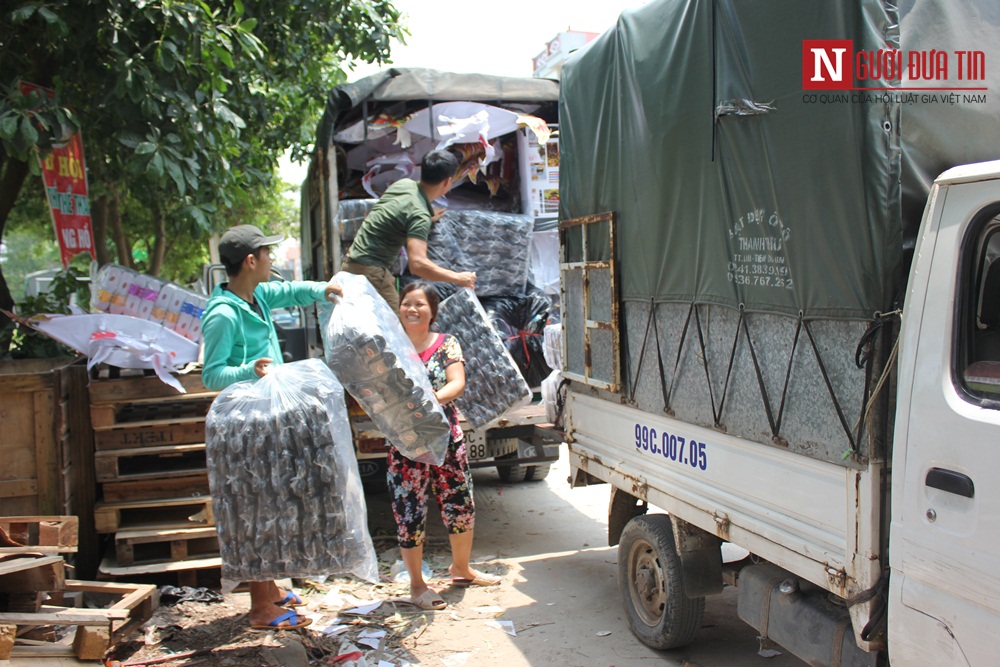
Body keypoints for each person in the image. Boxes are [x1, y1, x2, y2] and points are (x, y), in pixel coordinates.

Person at [201, 224, 343, 630]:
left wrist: (324, 289)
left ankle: (273, 590)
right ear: (250, 261)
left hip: (264, 422)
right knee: (254, 509)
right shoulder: (223, 314)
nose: (272, 260)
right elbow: (211, 375)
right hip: (242, 429)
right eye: (267, 253)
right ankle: (261, 607)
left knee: (272, 506)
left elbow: (292, 292)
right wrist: (250, 369)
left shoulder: (257, 294)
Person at [389, 282, 501, 611]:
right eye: (406, 303)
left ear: (432, 311)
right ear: (399, 309)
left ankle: (461, 568)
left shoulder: (446, 343)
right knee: (408, 509)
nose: (412, 309)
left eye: (420, 304)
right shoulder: (390, 347)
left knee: (459, 503)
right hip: (405, 442)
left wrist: (429, 400)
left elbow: (457, 382)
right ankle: (417, 585)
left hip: (445, 438)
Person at [343, 150, 477, 311]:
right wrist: (458, 277)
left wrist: (426, 214)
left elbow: (398, 211)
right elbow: (418, 264)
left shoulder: (403, 185)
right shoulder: (419, 215)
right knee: (400, 330)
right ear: (447, 182)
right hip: (370, 272)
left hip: (352, 264)